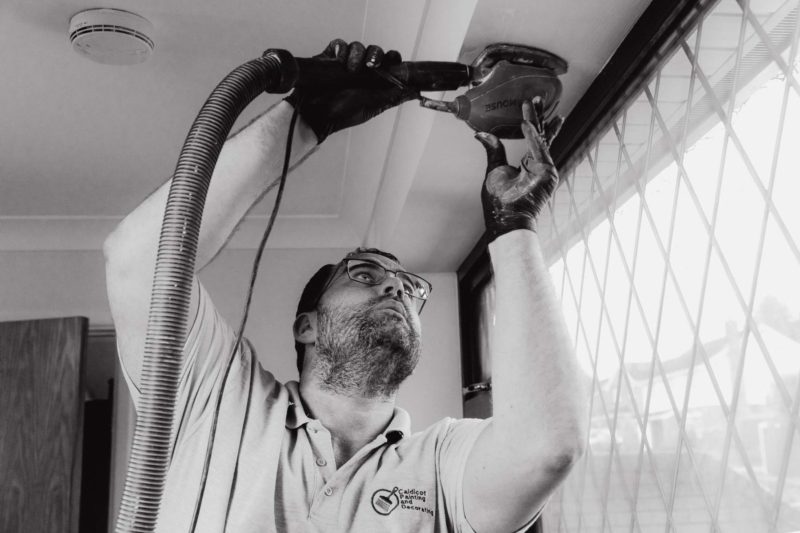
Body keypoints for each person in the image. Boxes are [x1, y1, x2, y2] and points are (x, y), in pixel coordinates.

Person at [104, 39, 585, 533]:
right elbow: (137, 262)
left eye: (409, 287)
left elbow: (544, 449)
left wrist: (512, 230)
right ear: (306, 326)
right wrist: (305, 121)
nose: (396, 289)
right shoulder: (218, 395)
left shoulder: (444, 463)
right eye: (365, 275)